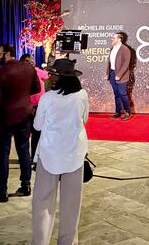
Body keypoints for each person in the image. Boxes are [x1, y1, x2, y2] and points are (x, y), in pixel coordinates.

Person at [32, 59, 89, 245]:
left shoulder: (47, 98)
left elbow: (37, 125)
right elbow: (85, 119)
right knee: (72, 205)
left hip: (49, 154)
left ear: (59, 77)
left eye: (52, 74)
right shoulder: (82, 95)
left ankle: (40, 242)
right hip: (75, 153)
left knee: (43, 203)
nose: (50, 77)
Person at [0, 44, 41, 203]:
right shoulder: (28, 68)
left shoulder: (2, 73)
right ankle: (26, 185)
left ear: (8, 54)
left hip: (4, 117)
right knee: (24, 150)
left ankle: (2, 190)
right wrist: (22, 96)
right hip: (24, 115)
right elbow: (36, 88)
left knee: (3, 153)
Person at [20, 54, 49, 160]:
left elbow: (47, 75)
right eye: (27, 61)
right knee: (25, 133)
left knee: (37, 132)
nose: (31, 62)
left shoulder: (37, 71)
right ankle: (25, 158)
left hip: (38, 107)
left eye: (31, 60)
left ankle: (33, 157)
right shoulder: (20, 74)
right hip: (26, 107)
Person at [107, 31, 132, 120]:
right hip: (112, 73)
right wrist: (108, 72)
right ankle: (118, 112)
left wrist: (119, 75)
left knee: (122, 93)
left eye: (114, 38)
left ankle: (127, 112)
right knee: (116, 94)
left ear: (119, 39)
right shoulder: (113, 48)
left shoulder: (125, 49)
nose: (112, 39)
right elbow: (110, 62)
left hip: (122, 75)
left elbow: (126, 64)